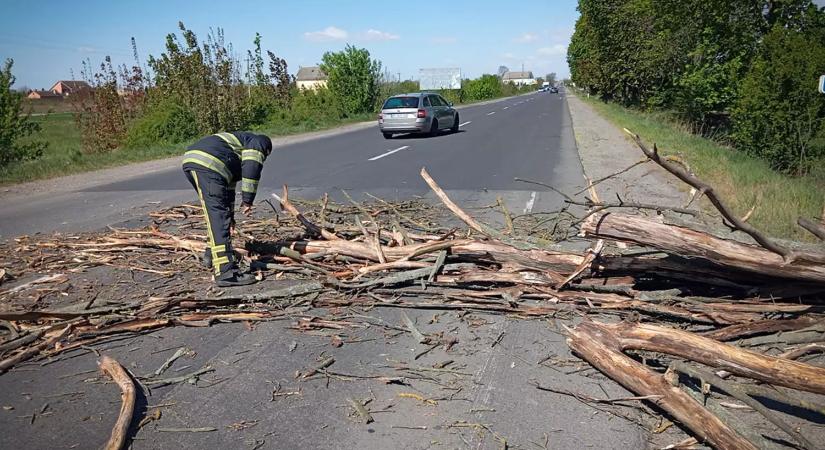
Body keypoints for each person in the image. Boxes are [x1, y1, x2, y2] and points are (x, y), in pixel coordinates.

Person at [182, 131, 272, 287]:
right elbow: (252, 165)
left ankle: (212, 255)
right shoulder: (259, 141)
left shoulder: (231, 155)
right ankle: (225, 272)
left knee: (218, 215)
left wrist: (230, 217)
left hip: (196, 161)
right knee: (217, 215)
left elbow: (227, 192)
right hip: (208, 163)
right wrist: (248, 199)